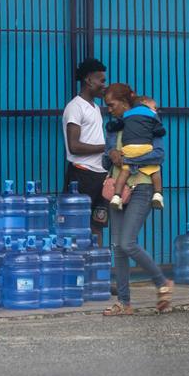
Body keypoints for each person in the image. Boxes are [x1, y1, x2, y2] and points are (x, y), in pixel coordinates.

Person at [100, 83, 173, 315]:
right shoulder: (113, 128)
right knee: (117, 247)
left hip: (142, 186)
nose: (109, 110)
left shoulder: (149, 121)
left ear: (126, 102)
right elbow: (107, 157)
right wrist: (111, 155)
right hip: (118, 189)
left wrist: (131, 160)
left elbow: (159, 155)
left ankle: (162, 282)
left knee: (127, 242)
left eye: (112, 105)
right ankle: (124, 303)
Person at [62, 58, 109, 243]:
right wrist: (106, 148)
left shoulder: (95, 108)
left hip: (100, 175)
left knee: (98, 224)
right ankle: (79, 267)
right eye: (101, 80)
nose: (104, 85)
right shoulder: (75, 107)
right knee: (77, 225)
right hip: (82, 175)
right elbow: (74, 146)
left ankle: (96, 267)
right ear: (89, 80)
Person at [106, 95, 165, 211]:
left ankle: (116, 197)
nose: (155, 110)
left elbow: (117, 125)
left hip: (128, 149)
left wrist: (126, 159)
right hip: (144, 148)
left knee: (124, 172)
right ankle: (158, 194)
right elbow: (159, 130)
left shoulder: (127, 116)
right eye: (154, 107)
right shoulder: (152, 115)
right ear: (144, 102)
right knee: (155, 171)